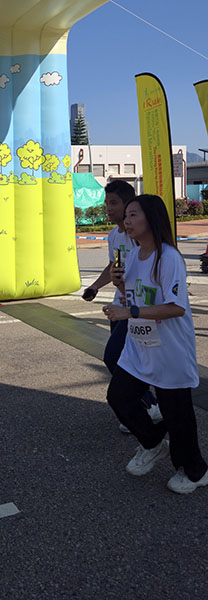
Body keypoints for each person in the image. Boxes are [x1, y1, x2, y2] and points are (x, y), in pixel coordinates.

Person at [104, 194, 208, 494]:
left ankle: (195, 471)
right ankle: (152, 443)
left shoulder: (168, 258)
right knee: (119, 397)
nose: (126, 220)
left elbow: (176, 308)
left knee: (178, 415)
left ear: (151, 219)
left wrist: (130, 313)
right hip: (139, 347)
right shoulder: (134, 255)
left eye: (133, 215)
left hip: (168, 350)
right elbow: (132, 298)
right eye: (126, 215)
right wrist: (119, 285)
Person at [82, 180, 160, 427]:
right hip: (120, 306)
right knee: (126, 359)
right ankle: (142, 406)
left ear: (129, 205)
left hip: (137, 308)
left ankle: (148, 404)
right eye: (106, 203)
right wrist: (95, 287)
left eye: (114, 203)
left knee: (114, 357)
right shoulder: (114, 235)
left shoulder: (139, 236)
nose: (108, 208)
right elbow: (113, 267)